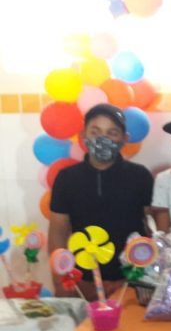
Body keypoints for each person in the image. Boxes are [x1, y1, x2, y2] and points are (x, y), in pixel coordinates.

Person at [48, 104, 153, 301]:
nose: (103, 139)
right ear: (83, 136)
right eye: (95, 132)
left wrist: (136, 281)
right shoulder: (66, 178)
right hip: (81, 284)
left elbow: (152, 230)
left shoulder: (141, 176)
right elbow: (57, 232)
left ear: (124, 139)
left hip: (131, 284)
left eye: (112, 133)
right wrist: (61, 281)